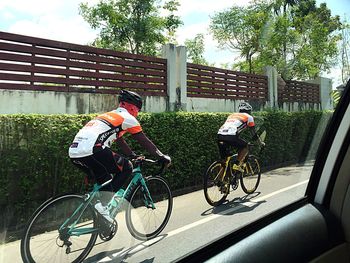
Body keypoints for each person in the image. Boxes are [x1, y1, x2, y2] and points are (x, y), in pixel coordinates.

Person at [68, 90, 171, 223]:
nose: (137, 113)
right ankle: (103, 206)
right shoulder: (128, 118)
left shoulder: (109, 116)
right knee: (127, 167)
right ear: (132, 107)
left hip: (74, 152)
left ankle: (96, 216)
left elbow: (119, 140)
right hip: (93, 149)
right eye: (137, 110)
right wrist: (162, 156)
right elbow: (143, 140)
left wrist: (132, 155)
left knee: (104, 178)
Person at [217, 102, 264, 172]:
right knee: (245, 147)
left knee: (224, 161)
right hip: (231, 136)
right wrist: (260, 143)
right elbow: (254, 134)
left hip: (220, 136)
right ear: (249, 111)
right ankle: (237, 165)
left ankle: (220, 181)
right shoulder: (249, 117)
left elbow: (233, 128)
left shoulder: (231, 115)